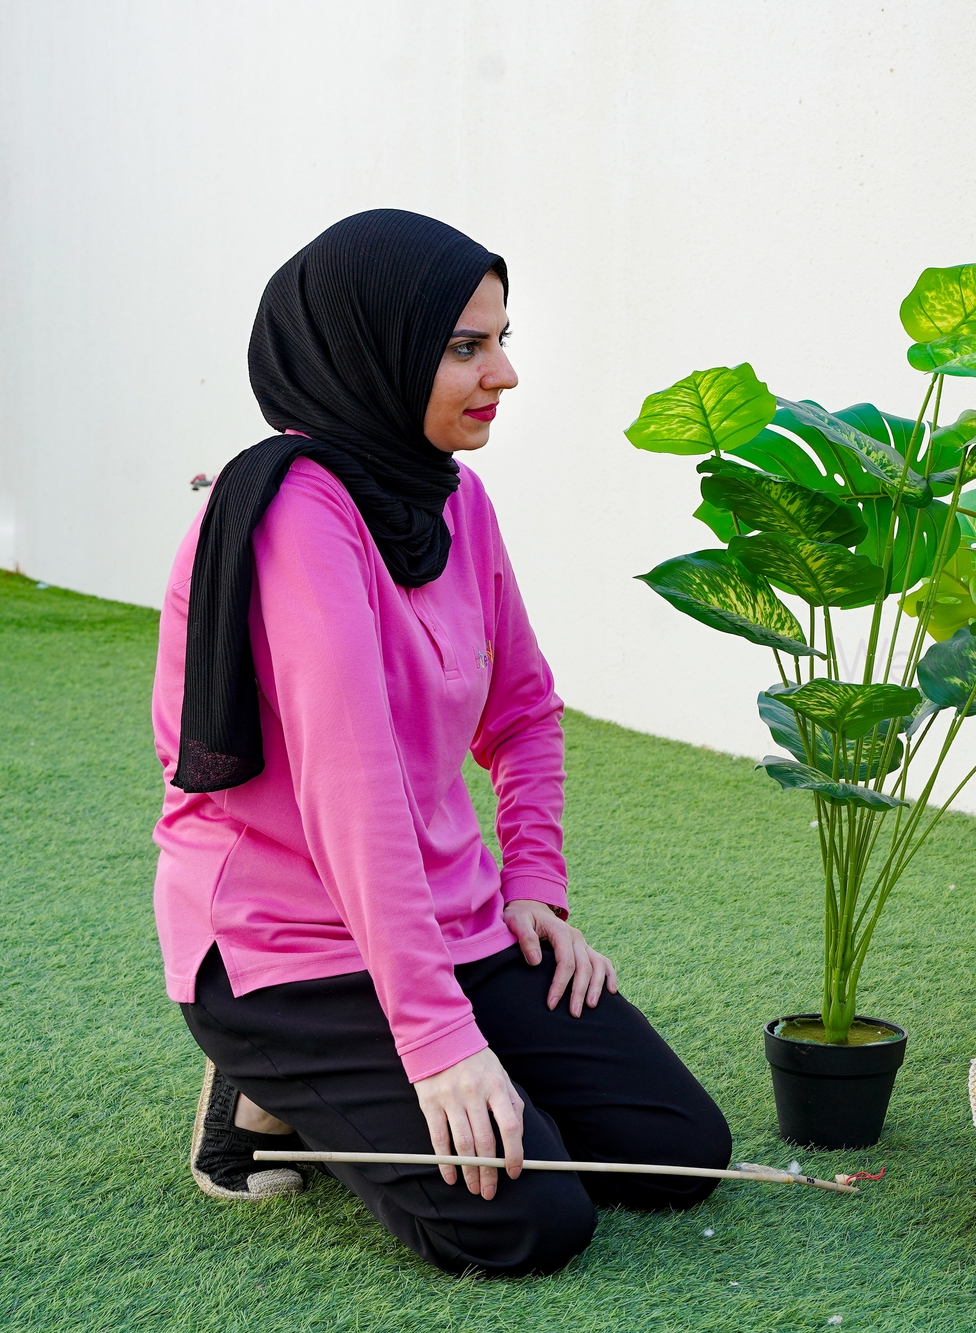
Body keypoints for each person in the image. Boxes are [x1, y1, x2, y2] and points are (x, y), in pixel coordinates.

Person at [152, 210, 732, 1277]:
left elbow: (523, 712)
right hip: (292, 948)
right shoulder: (295, 515)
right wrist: (435, 1038)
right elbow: (349, 788)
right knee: (531, 1221)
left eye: (501, 338)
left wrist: (534, 889)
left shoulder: (456, 499)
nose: (502, 372)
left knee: (674, 1152)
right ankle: (266, 1090)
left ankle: (422, 1068)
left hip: (445, 919)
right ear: (368, 351)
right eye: (465, 346)